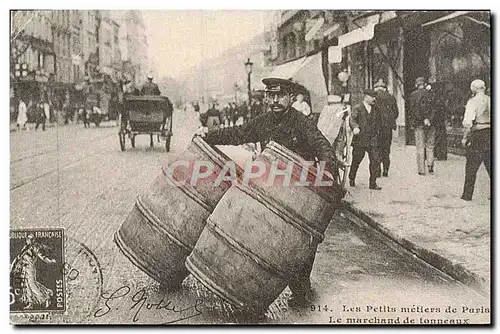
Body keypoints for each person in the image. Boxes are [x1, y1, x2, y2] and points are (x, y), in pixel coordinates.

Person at [199, 77, 345, 308]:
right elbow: (239, 133)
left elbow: (322, 145)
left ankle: (301, 286)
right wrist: (208, 136)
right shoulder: (263, 121)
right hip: (270, 190)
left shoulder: (301, 122)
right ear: (267, 97)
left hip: (299, 191)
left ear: (289, 98)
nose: (275, 101)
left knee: (302, 241)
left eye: (280, 96)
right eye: (271, 96)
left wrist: (326, 169)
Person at [460, 79, 490, 201]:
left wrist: (465, 138)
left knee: (471, 166)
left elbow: (468, 123)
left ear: (474, 89)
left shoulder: (472, 102)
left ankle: (467, 194)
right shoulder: (491, 99)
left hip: (478, 133)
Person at [348, 89, 382, 190]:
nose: (374, 99)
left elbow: (379, 122)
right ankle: (352, 177)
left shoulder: (376, 109)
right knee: (357, 160)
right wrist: (355, 128)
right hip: (360, 139)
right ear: (366, 97)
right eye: (372, 97)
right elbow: (352, 119)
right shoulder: (357, 108)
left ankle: (373, 183)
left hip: (373, 139)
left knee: (375, 160)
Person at [409, 77, 435, 175]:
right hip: (430, 124)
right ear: (425, 84)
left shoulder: (413, 95)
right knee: (430, 145)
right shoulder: (431, 94)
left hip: (419, 124)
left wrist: (422, 119)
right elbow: (434, 109)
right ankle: (430, 164)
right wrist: (429, 119)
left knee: (420, 146)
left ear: (416, 84)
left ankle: (421, 169)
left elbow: (413, 110)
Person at [374, 79, 399, 177]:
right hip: (387, 127)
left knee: (377, 148)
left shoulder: (374, 97)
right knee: (386, 149)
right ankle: (386, 170)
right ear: (384, 88)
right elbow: (396, 112)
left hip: (376, 127)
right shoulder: (391, 97)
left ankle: (378, 170)